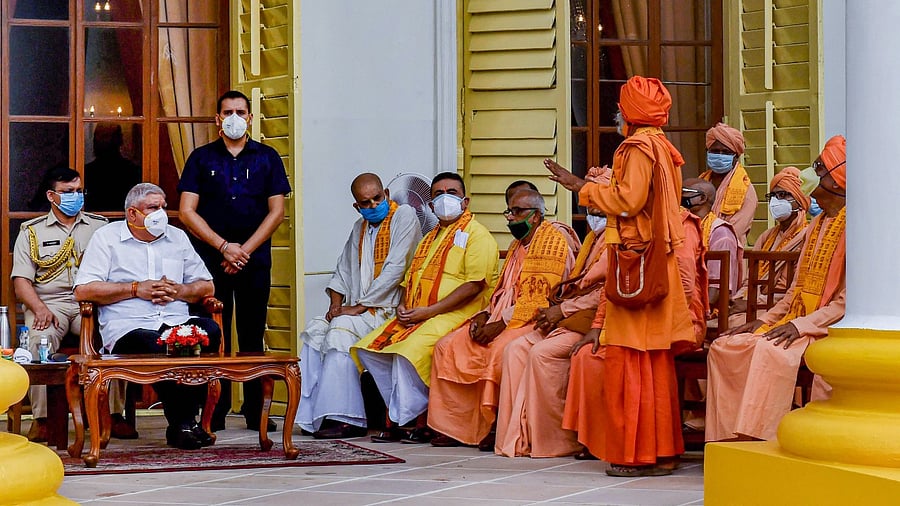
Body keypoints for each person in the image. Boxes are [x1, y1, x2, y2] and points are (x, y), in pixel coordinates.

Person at [544, 75, 695, 476]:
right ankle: (662, 452)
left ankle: (638, 454)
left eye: (620, 105)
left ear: (630, 111)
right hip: (655, 262)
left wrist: (581, 186)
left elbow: (629, 200)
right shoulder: (663, 146)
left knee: (628, 361)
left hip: (637, 264)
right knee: (653, 363)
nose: (616, 113)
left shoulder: (638, 147)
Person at [705, 135, 847, 442]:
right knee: (724, 347)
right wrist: (766, 319)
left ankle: (758, 437)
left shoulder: (856, 227)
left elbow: (847, 303)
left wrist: (799, 326)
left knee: (768, 352)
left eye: (818, 168)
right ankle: (725, 437)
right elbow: (796, 290)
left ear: (836, 182)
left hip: (822, 328)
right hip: (791, 319)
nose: (810, 174)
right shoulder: (818, 224)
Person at [350, 172, 499, 443]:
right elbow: (409, 280)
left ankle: (409, 420)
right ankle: (400, 413)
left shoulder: (478, 235)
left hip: (457, 315)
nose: (444, 199)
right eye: (438, 194)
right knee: (370, 350)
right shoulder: (429, 238)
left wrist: (429, 312)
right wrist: (405, 308)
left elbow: (475, 285)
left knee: (407, 352)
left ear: (465, 201)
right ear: (430, 206)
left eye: (451, 193)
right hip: (419, 314)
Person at [73, 183, 222, 450]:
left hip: (176, 321)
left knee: (209, 331)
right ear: (132, 214)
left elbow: (206, 286)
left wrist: (181, 290)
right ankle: (184, 422)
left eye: (163, 206)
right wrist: (134, 289)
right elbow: (84, 290)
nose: (161, 213)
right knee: (160, 345)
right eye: (153, 208)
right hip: (128, 327)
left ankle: (183, 423)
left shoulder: (176, 237)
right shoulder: (106, 238)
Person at [178, 90, 291, 431]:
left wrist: (244, 251)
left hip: (254, 260)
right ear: (217, 119)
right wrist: (224, 246)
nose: (234, 117)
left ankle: (256, 410)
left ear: (251, 118)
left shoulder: (268, 157)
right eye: (227, 111)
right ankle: (215, 409)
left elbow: (277, 212)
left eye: (240, 111)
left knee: (253, 333)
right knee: (212, 333)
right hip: (210, 261)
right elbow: (186, 211)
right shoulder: (200, 158)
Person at [427, 189, 576, 449]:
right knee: (447, 345)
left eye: (517, 212)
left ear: (537, 215)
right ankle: (455, 428)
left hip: (534, 320)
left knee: (498, 351)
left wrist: (501, 323)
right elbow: (501, 289)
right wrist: (484, 315)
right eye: (509, 211)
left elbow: (541, 298)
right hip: (500, 315)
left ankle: (492, 424)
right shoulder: (519, 244)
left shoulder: (553, 240)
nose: (510, 217)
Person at [562, 202, 708, 462]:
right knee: (587, 354)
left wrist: (650, 322)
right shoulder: (627, 224)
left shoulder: (680, 225)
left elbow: (684, 288)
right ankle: (602, 442)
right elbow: (615, 281)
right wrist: (597, 326)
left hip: (677, 322)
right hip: (631, 319)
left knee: (629, 357)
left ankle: (642, 448)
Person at [10, 167, 136, 442]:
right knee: (38, 341)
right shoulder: (31, 232)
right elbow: (21, 281)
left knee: (112, 338)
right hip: (49, 303)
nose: (75, 197)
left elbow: (119, 271)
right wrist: (39, 308)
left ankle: (112, 414)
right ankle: (43, 419)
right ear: (52, 196)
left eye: (79, 191)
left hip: (90, 302)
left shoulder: (100, 227)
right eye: (68, 192)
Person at [494, 169, 611, 458]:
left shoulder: (617, 239)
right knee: (515, 349)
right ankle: (520, 435)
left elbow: (605, 292)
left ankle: (558, 439)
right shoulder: (593, 239)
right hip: (573, 316)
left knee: (541, 353)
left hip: (601, 321)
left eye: (598, 207)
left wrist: (563, 309)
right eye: (589, 206)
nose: (593, 213)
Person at [297, 173, 421, 439]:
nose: (374, 206)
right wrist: (335, 303)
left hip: (389, 311)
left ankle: (347, 418)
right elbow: (342, 270)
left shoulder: (404, 216)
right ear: (357, 206)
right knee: (314, 331)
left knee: (341, 328)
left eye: (377, 198)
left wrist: (359, 306)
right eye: (366, 203)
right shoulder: (359, 227)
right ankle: (314, 417)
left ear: (386, 193)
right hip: (364, 311)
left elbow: (396, 268)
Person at [730, 167, 810, 324]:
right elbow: (751, 279)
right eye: (772, 196)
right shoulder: (766, 237)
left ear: (799, 199)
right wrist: (740, 299)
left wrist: (752, 302)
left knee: (732, 327)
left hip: (782, 308)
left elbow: (796, 288)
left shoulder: (807, 236)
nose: (775, 201)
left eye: (782, 195)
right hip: (754, 304)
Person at [681, 178, 742, 311]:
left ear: (702, 198)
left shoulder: (720, 233)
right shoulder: (682, 226)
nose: (679, 196)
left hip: (704, 308)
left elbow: (716, 291)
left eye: (683, 192)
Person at [700, 122, 757, 246]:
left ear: (736, 156)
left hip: (727, 251)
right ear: (707, 151)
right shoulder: (700, 183)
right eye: (715, 151)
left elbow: (734, 231)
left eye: (725, 152)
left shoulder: (746, 190)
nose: (719, 156)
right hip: (696, 251)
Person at [84, 123, 143, 212]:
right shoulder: (86, 172)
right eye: (101, 137)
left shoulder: (133, 171)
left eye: (106, 137)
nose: (104, 141)